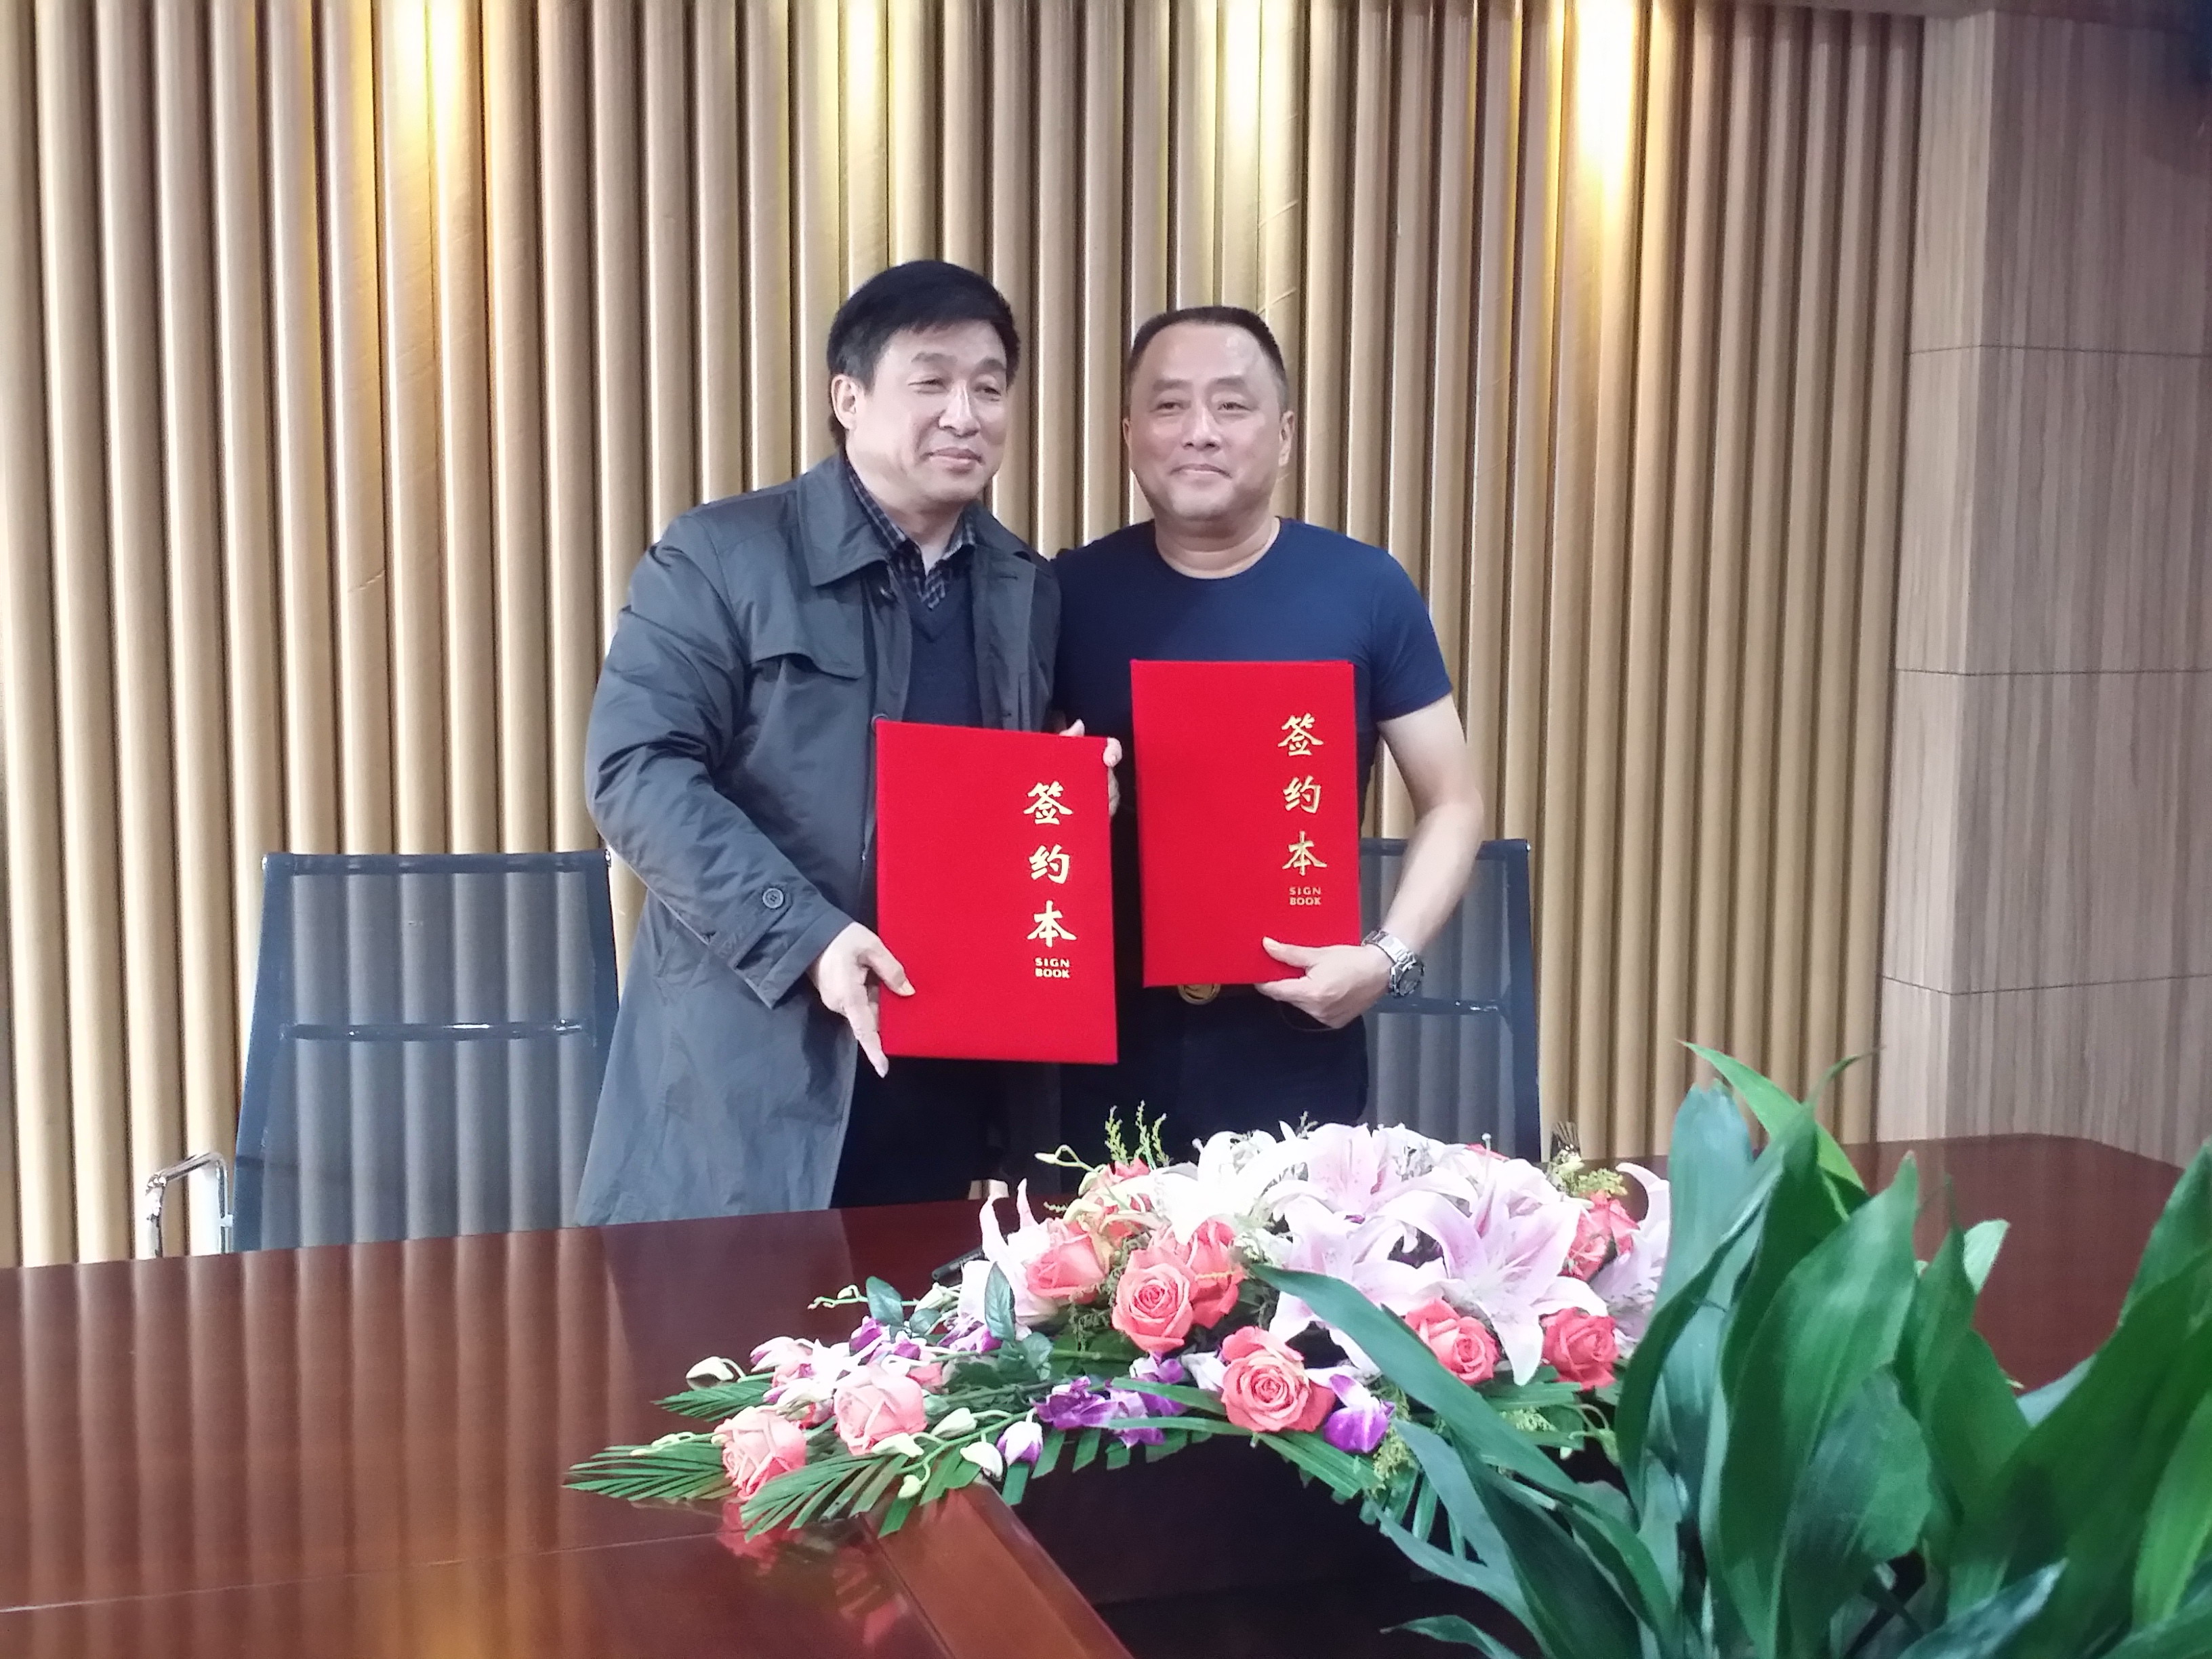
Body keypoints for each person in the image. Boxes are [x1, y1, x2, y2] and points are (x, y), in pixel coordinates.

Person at [577, 260, 1094, 1223]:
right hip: (751, 1064)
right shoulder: (721, 555)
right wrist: (807, 936)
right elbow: (634, 771)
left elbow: (993, 811)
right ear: (847, 398)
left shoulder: (1025, 585)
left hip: (941, 1072)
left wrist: (1069, 797)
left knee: (921, 1318)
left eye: (989, 388)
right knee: (726, 1321)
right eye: (932, 381)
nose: (965, 414)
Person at [1052, 305, 1486, 1158]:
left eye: (1232, 405)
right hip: (1099, 1051)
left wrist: (1386, 958)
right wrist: (1067, 797)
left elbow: (1454, 801)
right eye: (1169, 405)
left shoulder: (1365, 589)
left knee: (1290, 1247)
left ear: (1285, 435)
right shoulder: (1063, 594)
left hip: (1297, 1041)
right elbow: (1012, 806)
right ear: (1129, 433)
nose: (1200, 431)